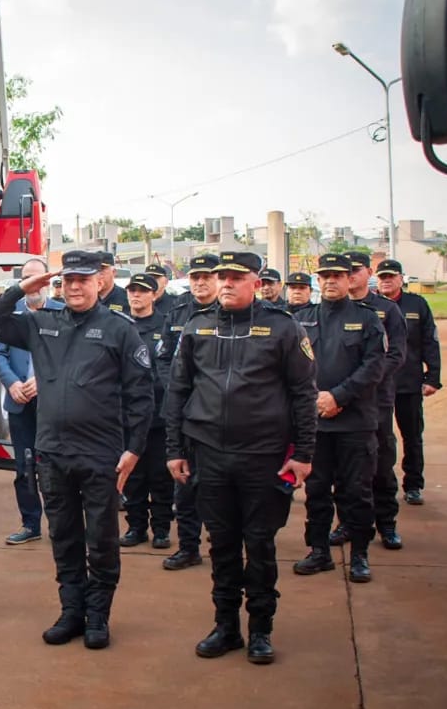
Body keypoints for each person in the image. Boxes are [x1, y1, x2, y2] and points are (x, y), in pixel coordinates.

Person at [0, 250, 154, 650]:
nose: (74, 287)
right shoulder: (41, 323)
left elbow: (142, 396)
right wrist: (24, 287)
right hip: (53, 452)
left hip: (100, 455)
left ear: (99, 282)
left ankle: (98, 617)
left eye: (83, 279)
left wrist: (135, 449)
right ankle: (71, 612)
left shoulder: (119, 328)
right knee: (64, 536)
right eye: (67, 280)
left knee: (102, 540)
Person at [165, 251, 316, 664]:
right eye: (221, 277)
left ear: (255, 281)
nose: (226, 283)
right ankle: (226, 626)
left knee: (260, 545)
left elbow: (304, 394)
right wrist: (174, 450)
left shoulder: (284, 328)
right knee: (223, 544)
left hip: (262, 456)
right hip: (209, 454)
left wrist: (303, 453)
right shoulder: (197, 326)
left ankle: (261, 629)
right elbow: (177, 391)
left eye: (235, 277)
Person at [292, 254, 386, 583]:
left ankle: (359, 554)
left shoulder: (368, 319)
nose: (330, 281)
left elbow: (374, 367)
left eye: (337, 276)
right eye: (325, 276)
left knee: (357, 492)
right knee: (316, 491)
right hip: (315, 422)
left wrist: (338, 396)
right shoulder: (302, 319)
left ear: (350, 280)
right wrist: (316, 400)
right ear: (318, 281)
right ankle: (318, 551)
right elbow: (293, 368)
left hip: (355, 422)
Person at [329, 252, 407, 550]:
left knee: (379, 465)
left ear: (366, 273)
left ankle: (386, 523)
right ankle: (347, 523)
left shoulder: (385, 310)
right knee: (341, 470)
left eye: (354, 270)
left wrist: (360, 384)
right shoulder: (330, 312)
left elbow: (395, 356)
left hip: (374, 402)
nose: (349, 275)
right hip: (336, 402)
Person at [154, 253, 220, 570]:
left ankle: (223, 547)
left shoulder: (232, 315)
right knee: (185, 485)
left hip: (220, 416)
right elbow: (164, 358)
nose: (200, 282)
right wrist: (179, 388)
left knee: (220, 488)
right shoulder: (178, 312)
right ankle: (189, 547)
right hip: (183, 411)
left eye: (207, 276)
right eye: (195, 277)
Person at [0, 257, 64, 545]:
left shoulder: (64, 313)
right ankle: (30, 524)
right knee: (24, 467)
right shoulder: (11, 315)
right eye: (26, 278)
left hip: (53, 407)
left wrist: (46, 382)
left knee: (56, 467)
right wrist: (11, 383)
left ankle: (61, 525)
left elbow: (71, 358)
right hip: (20, 403)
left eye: (36, 278)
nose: (31, 284)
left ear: (47, 280)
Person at [376, 259, 442, 505]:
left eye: (391, 276)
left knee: (412, 436)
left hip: (408, 382)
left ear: (401, 278)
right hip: (378, 384)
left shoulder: (417, 304)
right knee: (379, 438)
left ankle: (413, 484)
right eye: (382, 276)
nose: (386, 280)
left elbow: (430, 341)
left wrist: (433, 377)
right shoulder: (369, 306)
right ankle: (379, 484)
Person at [119, 273, 174, 550]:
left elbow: (166, 371)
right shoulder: (118, 326)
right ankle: (136, 527)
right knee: (133, 477)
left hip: (157, 416)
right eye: (131, 291)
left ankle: (161, 529)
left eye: (142, 291)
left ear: (154, 295)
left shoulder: (164, 327)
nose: (135, 296)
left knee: (160, 477)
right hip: (127, 416)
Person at [97, 250, 130, 314]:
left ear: (113, 272)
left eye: (102, 269)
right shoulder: (86, 298)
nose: (98, 274)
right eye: (95, 270)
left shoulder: (127, 298)